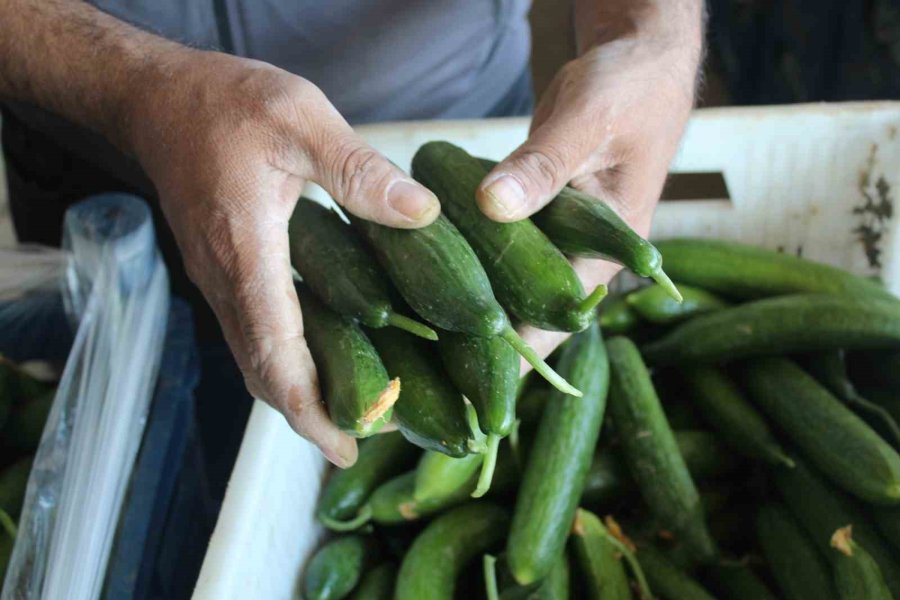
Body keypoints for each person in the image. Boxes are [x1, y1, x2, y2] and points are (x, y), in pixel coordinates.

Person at [0, 1, 704, 468]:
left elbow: (653, 26)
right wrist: (134, 87)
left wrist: (653, 34)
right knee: (167, 450)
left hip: (454, 116)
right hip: (98, 149)